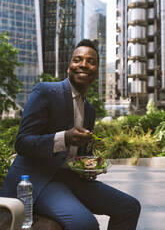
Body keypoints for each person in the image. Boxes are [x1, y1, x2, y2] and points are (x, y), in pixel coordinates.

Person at [2, 39, 141, 230]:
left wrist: (90, 166)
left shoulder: (89, 110)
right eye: (78, 59)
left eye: (90, 61)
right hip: (39, 179)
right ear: (69, 67)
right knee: (85, 224)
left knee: (129, 207)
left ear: (96, 71)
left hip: (71, 178)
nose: (84, 64)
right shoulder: (45, 91)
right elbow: (22, 143)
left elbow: (80, 153)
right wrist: (65, 137)